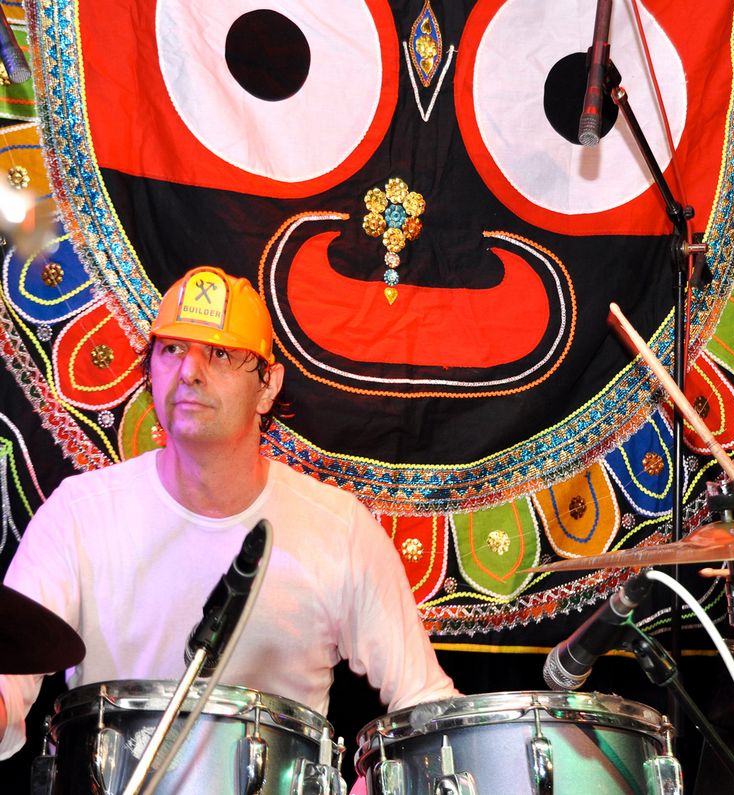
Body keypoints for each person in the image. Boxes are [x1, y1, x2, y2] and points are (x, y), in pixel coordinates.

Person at [0, 266, 457, 760]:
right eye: (172, 349)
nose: (189, 371)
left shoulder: (339, 529)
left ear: (267, 386)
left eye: (220, 353)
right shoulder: (78, 513)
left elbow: (427, 707)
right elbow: (7, 682)